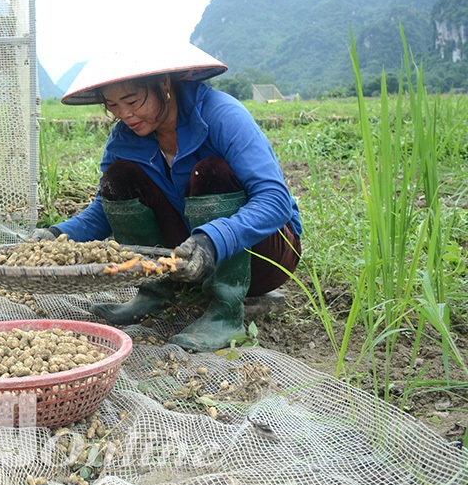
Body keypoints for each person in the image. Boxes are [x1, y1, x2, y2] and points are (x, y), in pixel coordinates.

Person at [33, 41, 302, 352]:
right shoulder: (125, 138)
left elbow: (275, 200)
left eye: (132, 100)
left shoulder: (220, 116)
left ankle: (226, 312)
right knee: (119, 178)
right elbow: (103, 211)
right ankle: (154, 293)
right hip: (190, 260)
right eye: (113, 105)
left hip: (263, 257)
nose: (125, 114)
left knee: (209, 171)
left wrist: (213, 240)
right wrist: (56, 236)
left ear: (164, 84)